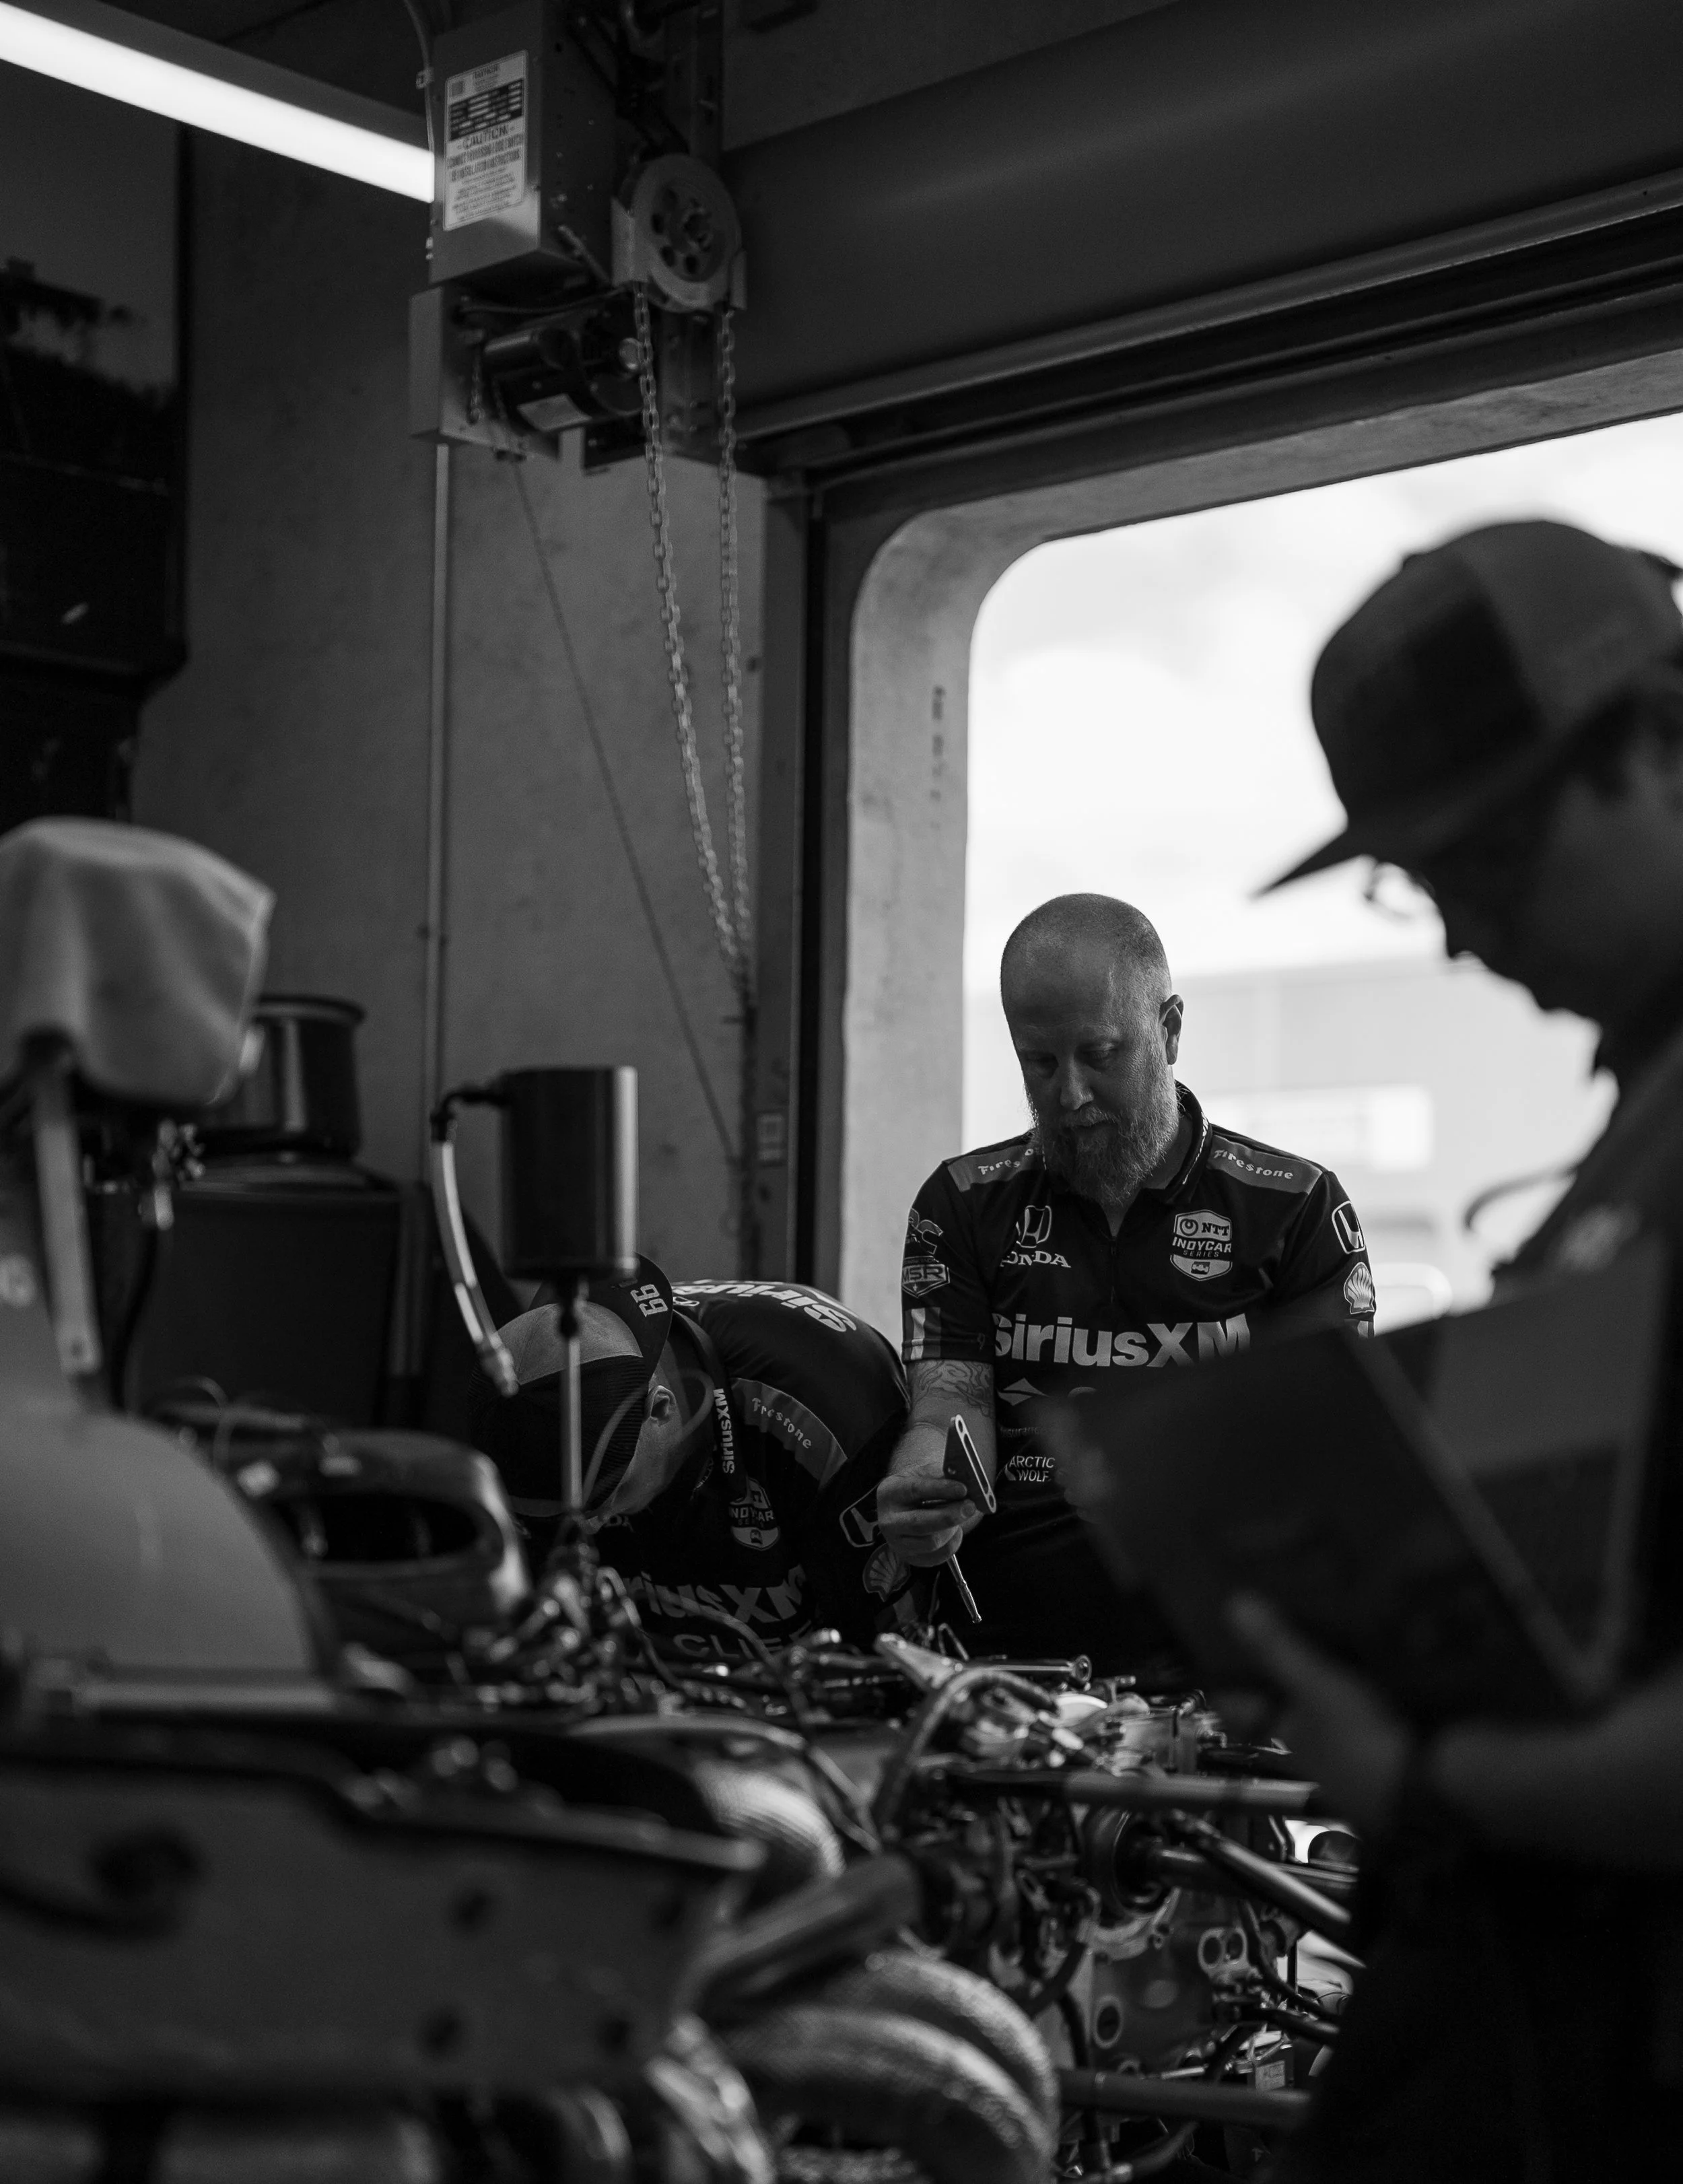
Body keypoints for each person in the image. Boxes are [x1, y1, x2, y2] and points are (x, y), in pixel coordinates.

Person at [1237, 518, 1683, 2179]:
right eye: (1422, 884)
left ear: (1658, 738)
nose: (1462, 937)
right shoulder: (1638, 1123)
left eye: (1489, 862)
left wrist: (1421, 1769)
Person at [874, 893, 1375, 1668]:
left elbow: (1331, 1452)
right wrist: (925, 1486)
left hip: (1223, 1651)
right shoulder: (963, 1201)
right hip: (1013, 1651)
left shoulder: (1295, 1206)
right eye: (1037, 1062)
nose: (1068, 1096)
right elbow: (949, 1403)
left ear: (1168, 1030)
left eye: (1099, 1054)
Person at [471, 1257, 917, 1651]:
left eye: (603, 1502)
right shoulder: (522, 1423)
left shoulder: (820, 1401)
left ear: (660, 1409)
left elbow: (891, 1653)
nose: (588, 1529)